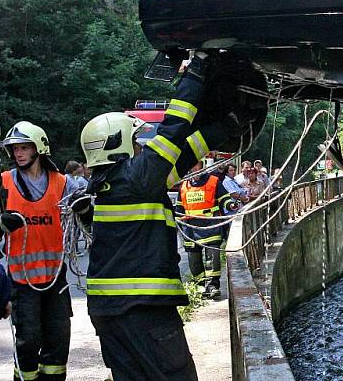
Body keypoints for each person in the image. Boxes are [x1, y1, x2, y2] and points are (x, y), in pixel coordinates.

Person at [79, 53, 265, 381]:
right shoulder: (138, 177)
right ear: (117, 145)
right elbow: (176, 125)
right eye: (136, 141)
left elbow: (185, 151)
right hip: (144, 311)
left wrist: (229, 126)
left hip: (110, 313)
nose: (141, 146)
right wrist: (196, 70)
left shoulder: (117, 184)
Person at [0, 121, 87, 381]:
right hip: (21, 281)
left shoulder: (63, 184)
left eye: (25, 148)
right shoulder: (3, 183)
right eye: (15, 149)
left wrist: (85, 209)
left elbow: (89, 212)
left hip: (55, 280)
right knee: (28, 341)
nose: (19, 154)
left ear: (40, 149)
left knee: (58, 340)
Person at [176, 165, 232, 299]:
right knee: (193, 259)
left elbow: (224, 198)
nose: (195, 169)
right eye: (193, 166)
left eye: (198, 166)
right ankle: (200, 285)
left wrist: (230, 204)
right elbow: (179, 207)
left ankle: (212, 286)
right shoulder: (184, 185)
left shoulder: (213, 181)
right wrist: (177, 222)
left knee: (212, 257)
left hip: (210, 225)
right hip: (190, 228)